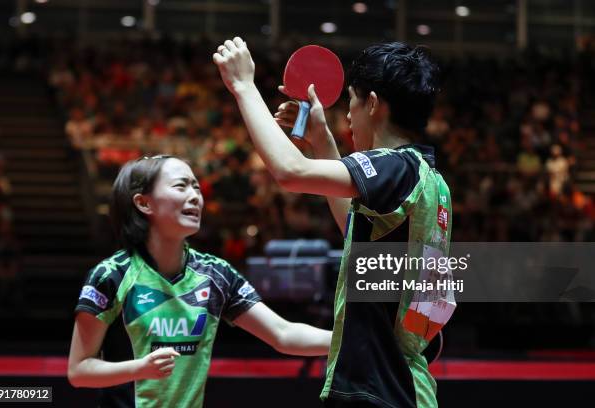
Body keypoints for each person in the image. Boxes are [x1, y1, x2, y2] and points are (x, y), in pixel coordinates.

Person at [214, 38, 452, 408]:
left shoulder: (395, 167)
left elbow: (291, 172)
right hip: (399, 387)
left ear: (372, 104)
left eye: (352, 103)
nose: (348, 117)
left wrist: (243, 86)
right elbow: (357, 238)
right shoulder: (429, 180)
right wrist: (323, 143)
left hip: (378, 385)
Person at [68, 155, 332, 408]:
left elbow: (283, 334)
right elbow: (79, 370)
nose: (195, 196)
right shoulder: (111, 275)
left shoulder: (216, 274)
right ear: (144, 203)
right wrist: (139, 369)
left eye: (196, 187)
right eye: (181, 186)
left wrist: (350, 338)